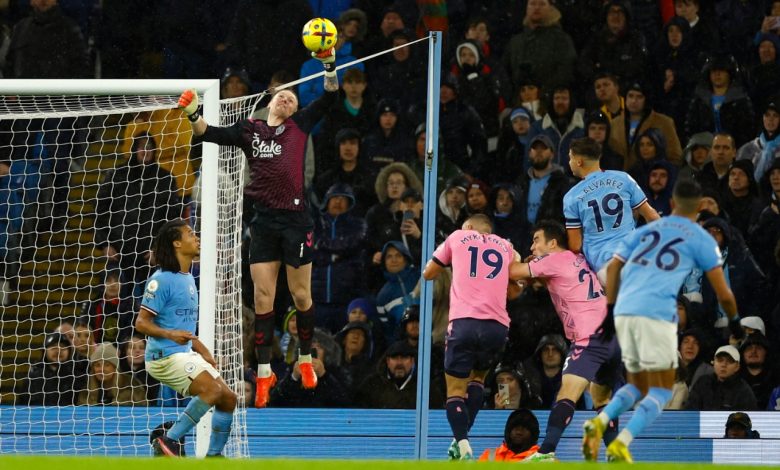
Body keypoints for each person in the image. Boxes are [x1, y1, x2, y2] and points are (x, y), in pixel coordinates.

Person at [178, 49, 339, 406]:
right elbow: (207, 133)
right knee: (263, 299)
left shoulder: (300, 127)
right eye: (282, 93)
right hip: (263, 222)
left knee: (300, 297)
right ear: (271, 100)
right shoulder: (250, 129)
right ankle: (264, 374)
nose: (287, 97)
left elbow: (331, 95)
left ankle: (306, 359)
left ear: (296, 109)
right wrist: (192, 113)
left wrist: (328, 64)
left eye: (293, 97)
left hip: (297, 223)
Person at [582, 179, 740, 463]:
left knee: (639, 383)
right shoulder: (700, 238)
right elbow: (725, 295)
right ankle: (622, 442)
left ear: (671, 203)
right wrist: (736, 324)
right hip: (656, 313)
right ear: (699, 207)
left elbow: (615, 265)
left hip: (625, 311)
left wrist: (610, 308)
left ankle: (600, 419)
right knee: (661, 388)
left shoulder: (647, 230)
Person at [509, 220, 622, 461]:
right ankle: (615, 455)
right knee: (602, 399)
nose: (532, 246)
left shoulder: (554, 259)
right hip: (613, 338)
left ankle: (546, 451)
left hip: (589, 336)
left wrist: (513, 254)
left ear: (552, 243)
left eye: (536, 240)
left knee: (566, 394)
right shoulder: (579, 258)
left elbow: (512, 271)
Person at [135, 219, 237, 457]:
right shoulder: (161, 279)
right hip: (163, 357)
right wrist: (170, 335)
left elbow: (183, 328)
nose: (197, 237)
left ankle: (213, 457)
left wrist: (203, 351)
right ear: (177, 243)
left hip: (183, 353)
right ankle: (168, 440)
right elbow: (141, 323)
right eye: (191, 234)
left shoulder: (187, 278)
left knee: (228, 398)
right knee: (211, 390)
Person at [423, 214, 518, 460]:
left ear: (469, 227)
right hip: (497, 326)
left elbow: (429, 273)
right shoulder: (506, 246)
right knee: (477, 380)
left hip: (463, 322)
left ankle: (463, 442)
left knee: (455, 390)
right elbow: (516, 289)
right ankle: (459, 440)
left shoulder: (458, 236)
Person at [564, 137, 659, 284]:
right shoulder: (623, 178)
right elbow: (652, 216)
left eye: (570, 158)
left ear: (579, 161)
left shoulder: (572, 196)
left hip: (606, 265)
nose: (569, 163)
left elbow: (575, 245)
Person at [685, 345, 758, 411]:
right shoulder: (702, 382)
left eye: (729, 361)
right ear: (714, 363)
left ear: (737, 367)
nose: (723, 365)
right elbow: (690, 412)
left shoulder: (744, 391)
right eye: (720, 360)